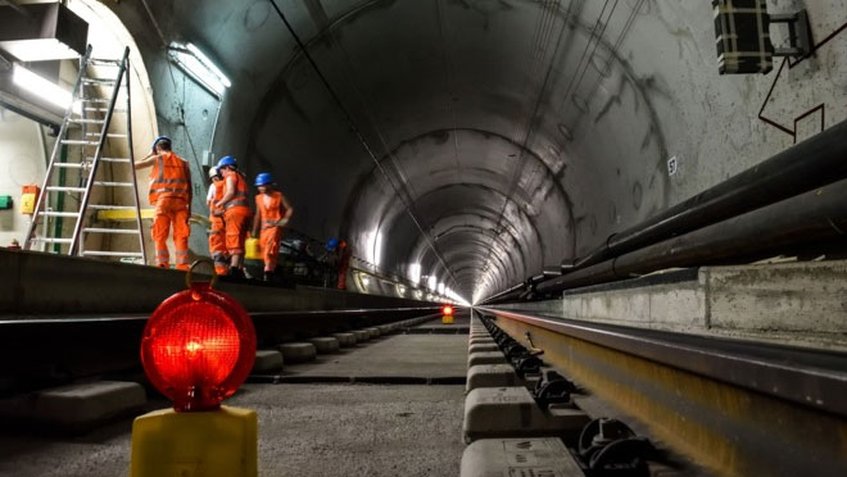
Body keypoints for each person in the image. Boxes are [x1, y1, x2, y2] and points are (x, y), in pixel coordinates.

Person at [134, 136, 192, 270]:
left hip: (164, 200)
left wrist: (148, 155)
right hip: (181, 202)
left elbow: (134, 166)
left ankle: (162, 263)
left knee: (160, 233)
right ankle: (182, 266)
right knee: (181, 234)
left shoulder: (157, 159)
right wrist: (189, 208)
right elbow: (190, 187)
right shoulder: (184, 162)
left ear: (157, 148)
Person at [213, 155, 251, 278]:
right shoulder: (242, 178)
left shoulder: (231, 175)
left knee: (233, 238)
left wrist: (219, 204)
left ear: (228, 168)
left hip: (235, 212)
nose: (222, 174)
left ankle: (234, 269)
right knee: (240, 240)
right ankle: (239, 267)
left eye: (222, 170)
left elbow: (230, 192)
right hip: (245, 211)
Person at [251, 172, 293, 281]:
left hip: (275, 227)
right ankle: (271, 270)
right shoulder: (258, 198)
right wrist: (254, 231)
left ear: (269, 185)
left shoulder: (278, 196)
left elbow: (289, 209)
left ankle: (268, 272)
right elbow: (258, 215)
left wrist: (285, 219)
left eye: (263, 185)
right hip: (264, 229)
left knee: (270, 250)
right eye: (259, 186)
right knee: (265, 250)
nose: (261, 188)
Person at [206, 167, 228, 275]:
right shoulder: (230, 185)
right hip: (228, 222)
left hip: (216, 222)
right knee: (227, 248)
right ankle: (229, 272)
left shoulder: (213, 186)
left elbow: (208, 202)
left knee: (217, 248)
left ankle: (220, 272)